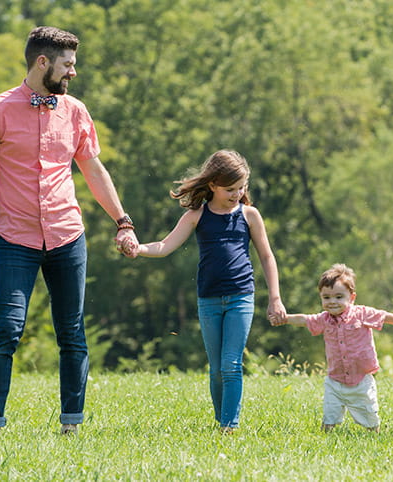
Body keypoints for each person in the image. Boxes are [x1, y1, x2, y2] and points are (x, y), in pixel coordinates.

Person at [0, 26, 138, 438]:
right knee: (7, 328)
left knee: (72, 332)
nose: (73, 72)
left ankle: (72, 426)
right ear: (43, 62)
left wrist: (122, 220)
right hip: (15, 238)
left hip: (67, 236)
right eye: (68, 64)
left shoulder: (75, 111)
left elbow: (93, 168)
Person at [121, 149, 286, 433]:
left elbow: (267, 257)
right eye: (230, 189)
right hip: (208, 299)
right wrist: (139, 249)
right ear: (212, 185)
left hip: (241, 297)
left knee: (231, 364)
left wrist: (275, 298)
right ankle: (220, 419)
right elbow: (165, 245)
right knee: (217, 369)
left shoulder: (249, 215)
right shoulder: (196, 215)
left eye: (241, 188)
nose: (237, 194)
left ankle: (229, 426)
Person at [276, 264, 393, 433]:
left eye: (339, 297)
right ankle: (326, 436)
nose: (332, 302)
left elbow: (385, 316)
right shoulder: (324, 319)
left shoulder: (361, 313)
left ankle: (374, 436)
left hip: (361, 379)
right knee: (329, 415)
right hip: (335, 380)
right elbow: (304, 320)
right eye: (327, 297)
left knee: (370, 418)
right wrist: (285, 319)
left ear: (352, 297)